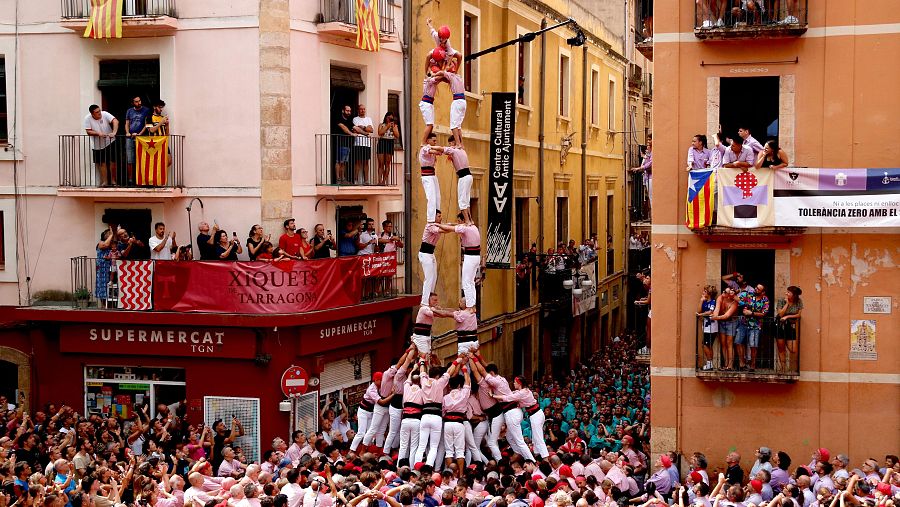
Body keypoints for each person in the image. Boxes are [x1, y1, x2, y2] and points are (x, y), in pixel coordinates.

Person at [491, 375, 549, 459]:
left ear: (519, 383)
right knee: (535, 438)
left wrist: (493, 396)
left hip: (536, 415)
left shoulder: (522, 392)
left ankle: (545, 458)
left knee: (538, 437)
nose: (513, 383)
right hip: (536, 414)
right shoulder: (522, 391)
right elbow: (512, 394)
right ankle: (538, 456)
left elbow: (507, 398)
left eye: (515, 382)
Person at [435, 213, 481, 310]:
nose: (458, 223)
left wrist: (437, 225)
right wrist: (450, 223)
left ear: (464, 220)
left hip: (470, 257)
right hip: (476, 257)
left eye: (459, 221)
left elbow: (450, 229)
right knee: (471, 282)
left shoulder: (465, 228)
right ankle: (472, 304)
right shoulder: (473, 227)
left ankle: (469, 306)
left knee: (466, 282)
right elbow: (454, 225)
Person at [441, 362, 471, 477]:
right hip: (459, 423)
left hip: (448, 423)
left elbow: (443, 412)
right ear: (459, 385)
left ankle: (450, 476)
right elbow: (467, 383)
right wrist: (464, 369)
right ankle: (461, 475)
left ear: (449, 386)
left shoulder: (445, 397)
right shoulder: (463, 394)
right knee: (459, 451)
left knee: (449, 451)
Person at [437, 137, 473, 224]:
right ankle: (470, 220)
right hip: (468, 176)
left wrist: (429, 147)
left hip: (463, 177)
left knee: (462, 201)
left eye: (450, 144)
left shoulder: (454, 150)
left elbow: (441, 149)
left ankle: (467, 221)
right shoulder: (462, 150)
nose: (449, 146)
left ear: (453, 143)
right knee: (466, 200)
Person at [83, 104, 120, 186]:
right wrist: (98, 133)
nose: (99, 113)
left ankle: (113, 181)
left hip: (110, 141)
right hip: (97, 145)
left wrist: (114, 132)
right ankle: (105, 182)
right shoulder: (87, 118)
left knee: (112, 162)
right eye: (97, 112)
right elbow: (88, 131)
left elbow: (115, 121)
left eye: (99, 111)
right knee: (101, 163)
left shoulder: (105, 114)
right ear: (92, 114)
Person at [738, 284, 769, 372]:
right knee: (738, 341)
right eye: (756, 287)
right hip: (744, 323)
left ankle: (752, 365)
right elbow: (739, 300)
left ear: (763, 292)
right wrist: (734, 294)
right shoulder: (749, 295)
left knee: (753, 345)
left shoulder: (765, 300)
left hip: (755, 325)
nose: (755, 289)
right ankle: (742, 363)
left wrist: (751, 313)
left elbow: (764, 313)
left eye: (758, 289)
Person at [435, 66, 466, 148]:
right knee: (458, 126)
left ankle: (458, 144)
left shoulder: (451, 75)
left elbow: (441, 73)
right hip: (463, 101)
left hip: (457, 101)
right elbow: (446, 80)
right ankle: (461, 143)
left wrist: (433, 74)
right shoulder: (459, 77)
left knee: (453, 126)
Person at [124, 95, 152, 184]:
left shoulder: (146, 110)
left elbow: (146, 124)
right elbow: (127, 123)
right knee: (130, 159)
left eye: (139, 101)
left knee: (142, 158)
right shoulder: (129, 111)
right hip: (130, 137)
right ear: (133, 103)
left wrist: (139, 134)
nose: (139, 103)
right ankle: (130, 180)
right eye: (136, 101)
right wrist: (127, 132)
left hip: (142, 137)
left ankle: (141, 178)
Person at [775, 286, 803, 373]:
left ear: (794, 295)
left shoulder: (798, 301)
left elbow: (798, 315)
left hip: (790, 326)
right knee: (781, 349)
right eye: (787, 292)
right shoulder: (781, 301)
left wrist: (787, 316)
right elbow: (780, 314)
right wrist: (786, 303)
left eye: (788, 292)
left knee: (793, 349)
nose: (786, 293)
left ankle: (784, 341)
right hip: (780, 325)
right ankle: (783, 369)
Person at [711, 287, 739, 371]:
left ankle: (730, 365)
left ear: (730, 295)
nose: (723, 292)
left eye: (725, 292)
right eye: (724, 291)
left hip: (731, 322)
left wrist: (716, 318)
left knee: (729, 343)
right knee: (723, 343)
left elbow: (727, 315)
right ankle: (726, 364)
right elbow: (717, 308)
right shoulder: (721, 297)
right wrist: (715, 315)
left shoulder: (734, 303)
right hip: (722, 322)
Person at [419, 133, 443, 223]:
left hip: (433, 175)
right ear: (428, 140)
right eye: (434, 140)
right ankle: (431, 219)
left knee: (437, 197)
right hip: (427, 176)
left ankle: (437, 216)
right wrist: (441, 150)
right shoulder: (425, 148)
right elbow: (435, 151)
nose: (435, 142)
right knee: (431, 197)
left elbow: (437, 152)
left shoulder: (431, 148)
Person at [697, 285, 719, 371]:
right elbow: (698, 311)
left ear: (709, 293)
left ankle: (709, 364)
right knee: (708, 345)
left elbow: (711, 312)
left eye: (705, 291)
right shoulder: (705, 301)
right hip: (706, 326)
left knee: (705, 345)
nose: (703, 292)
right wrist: (701, 301)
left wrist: (701, 315)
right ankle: (710, 364)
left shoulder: (713, 302)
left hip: (712, 327)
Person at [352, 104, 374, 184]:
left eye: (364, 109)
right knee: (358, 162)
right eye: (361, 109)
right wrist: (366, 131)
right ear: (358, 110)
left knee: (366, 162)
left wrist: (362, 127)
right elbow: (355, 129)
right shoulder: (355, 119)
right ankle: (356, 180)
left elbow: (371, 130)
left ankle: (366, 180)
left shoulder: (369, 119)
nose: (363, 110)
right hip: (358, 143)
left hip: (367, 144)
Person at [334, 105, 356, 184]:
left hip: (347, 144)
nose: (349, 112)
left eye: (350, 111)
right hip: (340, 143)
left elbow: (355, 128)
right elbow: (343, 127)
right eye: (347, 111)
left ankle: (343, 179)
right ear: (343, 111)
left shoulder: (349, 120)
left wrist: (365, 133)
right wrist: (351, 133)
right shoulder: (339, 118)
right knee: (339, 161)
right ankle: (338, 179)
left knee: (344, 162)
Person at [377, 112, 399, 185]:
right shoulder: (381, 125)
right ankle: (379, 181)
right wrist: (387, 126)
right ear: (386, 117)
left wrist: (393, 127)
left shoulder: (395, 126)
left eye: (391, 118)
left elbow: (397, 135)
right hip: (382, 142)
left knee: (387, 163)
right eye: (388, 118)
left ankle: (384, 181)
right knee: (381, 163)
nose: (389, 119)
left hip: (390, 142)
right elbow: (380, 133)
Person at [631, 136, 653, 202]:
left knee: (651, 197)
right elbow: (646, 163)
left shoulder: (653, 151)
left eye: (650, 140)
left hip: (651, 177)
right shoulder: (649, 152)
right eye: (648, 140)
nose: (648, 142)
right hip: (647, 177)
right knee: (650, 197)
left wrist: (639, 168)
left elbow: (651, 163)